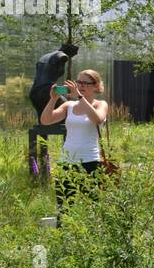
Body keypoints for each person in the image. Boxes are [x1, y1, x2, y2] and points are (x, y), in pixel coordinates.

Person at [40, 69, 109, 220]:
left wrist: (79, 96)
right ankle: (64, 240)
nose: (81, 86)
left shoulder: (100, 104)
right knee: (64, 209)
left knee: (92, 207)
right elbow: (45, 120)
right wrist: (53, 99)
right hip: (67, 163)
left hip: (90, 162)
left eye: (85, 83)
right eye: (79, 82)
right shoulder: (69, 106)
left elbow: (97, 119)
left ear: (96, 85)